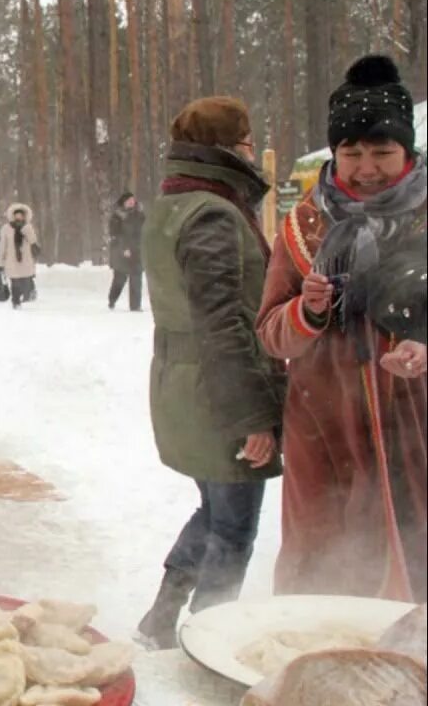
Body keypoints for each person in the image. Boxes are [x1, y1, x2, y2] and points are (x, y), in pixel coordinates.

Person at [255, 54, 426, 603]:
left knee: (413, 552)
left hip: (415, 421)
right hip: (322, 424)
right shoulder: (304, 222)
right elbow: (270, 332)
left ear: (407, 152)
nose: (366, 167)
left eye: (381, 151)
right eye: (351, 152)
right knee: (322, 562)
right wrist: (304, 314)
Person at [136, 96, 286, 649]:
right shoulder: (215, 215)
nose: (254, 153)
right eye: (248, 142)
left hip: (188, 386)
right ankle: (208, 636)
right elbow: (223, 325)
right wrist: (253, 417)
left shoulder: (174, 203)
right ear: (228, 149)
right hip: (220, 393)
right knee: (235, 527)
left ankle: (162, 619)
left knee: (214, 510)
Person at [108, 191, 145, 311]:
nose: (131, 202)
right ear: (123, 202)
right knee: (120, 278)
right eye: (129, 200)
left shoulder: (140, 215)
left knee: (136, 278)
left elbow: (144, 231)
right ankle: (112, 299)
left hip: (137, 250)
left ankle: (135, 306)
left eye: (133, 200)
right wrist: (123, 248)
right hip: (121, 251)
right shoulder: (117, 216)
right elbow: (115, 234)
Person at [0, 203, 39, 308]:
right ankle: (15, 301)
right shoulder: (6, 229)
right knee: (15, 282)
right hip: (11, 261)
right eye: (16, 215)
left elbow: (33, 242)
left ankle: (24, 295)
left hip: (25, 261)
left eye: (21, 215)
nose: (18, 217)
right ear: (13, 216)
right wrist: (1, 261)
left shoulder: (28, 227)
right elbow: (2, 246)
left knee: (24, 282)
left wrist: (27, 231)